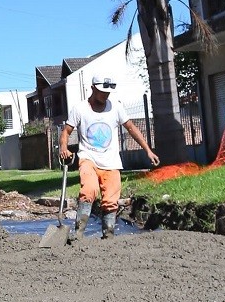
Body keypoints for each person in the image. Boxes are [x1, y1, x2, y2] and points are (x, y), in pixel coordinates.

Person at [59, 75, 159, 240]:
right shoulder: (80, 109)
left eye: (108, 92)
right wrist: (63, 148)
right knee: (89, 190)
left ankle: (108, 236)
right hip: (88, 158)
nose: (106, 95)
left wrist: (148, 150)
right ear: (93, 88)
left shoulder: (116, 108)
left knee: (111, 200)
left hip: (111, 161)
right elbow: (66, 131)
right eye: (102, 92)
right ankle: (78, 234)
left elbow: (131, 128)